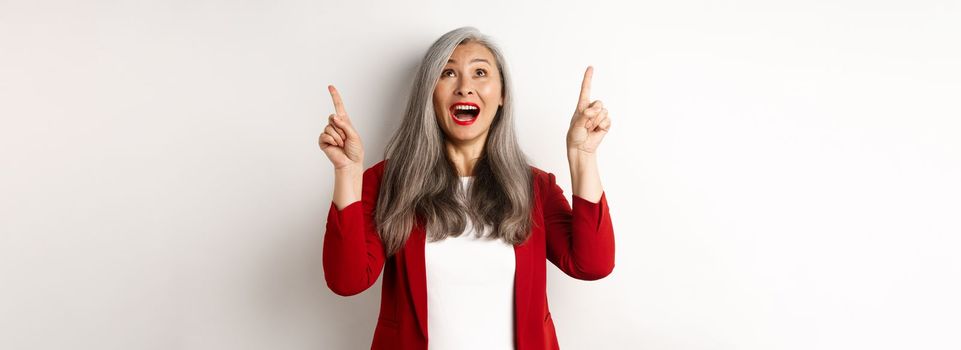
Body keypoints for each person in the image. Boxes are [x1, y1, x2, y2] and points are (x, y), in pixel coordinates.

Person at [318, 26, 614, 350]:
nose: (464, 88)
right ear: (429, 93)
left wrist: (582, 155)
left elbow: (592, 264)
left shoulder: (534, 188)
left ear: (502, 95)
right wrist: (347, 172)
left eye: (480, 73)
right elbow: (347, 280)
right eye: (448, 73)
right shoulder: (389, 182)